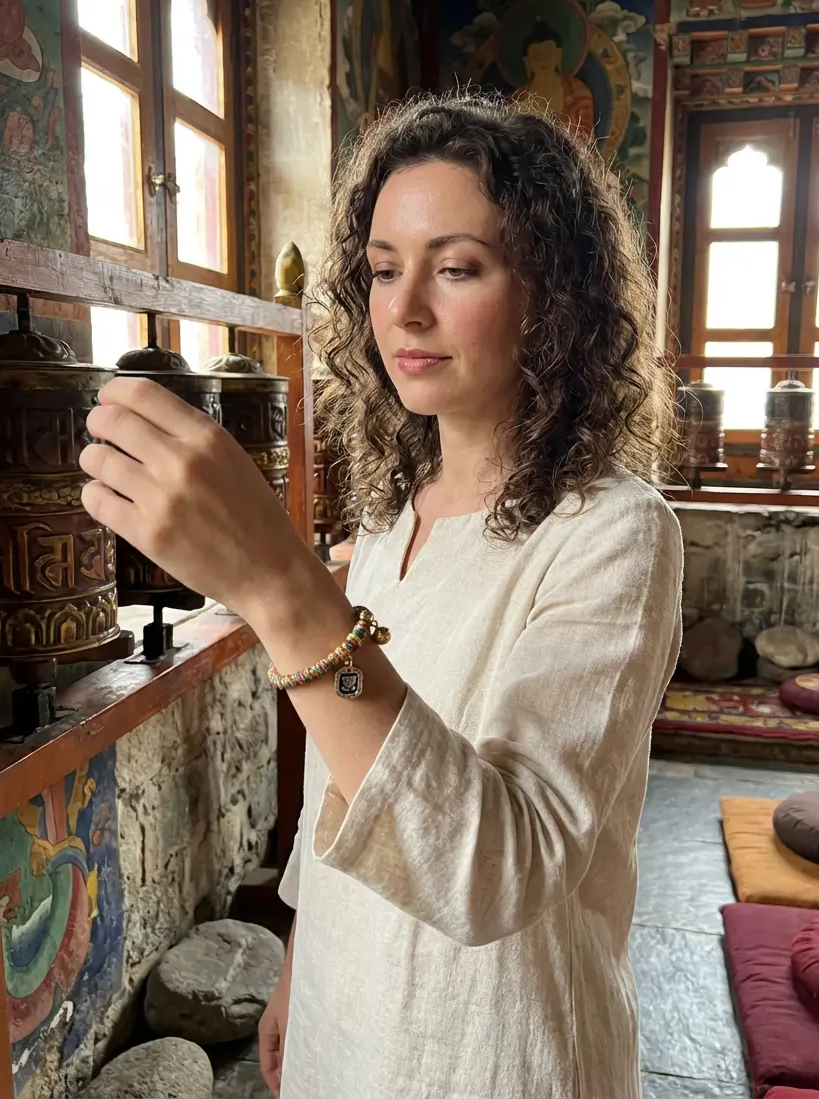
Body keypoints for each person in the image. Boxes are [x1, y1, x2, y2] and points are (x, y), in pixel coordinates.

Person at [79, 93, 683, 1099]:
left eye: (455, 268)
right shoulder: (398, 516)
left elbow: (499, 870)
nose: (403, 310)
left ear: (552, 293)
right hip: (344, 1015)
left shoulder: (610, 533)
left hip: (496, 1049)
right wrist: (297, 961)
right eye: (383, 269)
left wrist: (280, 589)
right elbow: (338, 786)